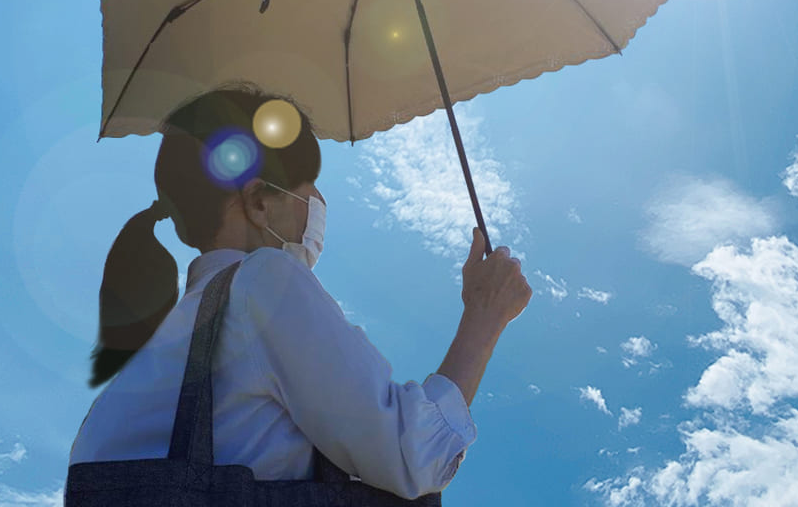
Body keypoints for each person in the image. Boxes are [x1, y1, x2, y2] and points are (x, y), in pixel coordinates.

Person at [67, 87, 531, 503]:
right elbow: (411, 455)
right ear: (259, 202)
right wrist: (484, 315)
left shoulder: (161, 349)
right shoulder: (265, 279)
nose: (318, 204)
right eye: (307, 186)